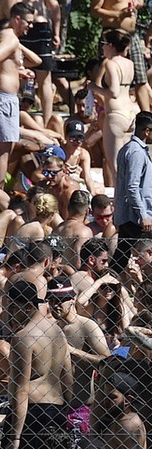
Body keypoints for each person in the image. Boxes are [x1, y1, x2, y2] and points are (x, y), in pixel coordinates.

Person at [1, 280, 73, 449]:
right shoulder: (58, 332)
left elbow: (21, 390)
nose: (9, 313)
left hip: (31, 415)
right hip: (57, 410)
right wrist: (68, 410)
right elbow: (68, 376)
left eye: (12, 307)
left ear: (27, 307)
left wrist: (15, 437)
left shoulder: (23, 338)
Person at [0, 2, 36, 188]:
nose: (31, 26)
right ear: (16, 19)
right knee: (4, 151)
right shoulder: (10, 38)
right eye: (28, 22)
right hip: (2, 98)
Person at [46, 276, 111, 434]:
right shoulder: (50, 328)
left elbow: (108, 362)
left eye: (60, 300)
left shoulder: (87, 327)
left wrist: (74, 352)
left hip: (81, 406)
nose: (55, 305)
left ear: (72, 299)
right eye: (52, 300)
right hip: (53, 405)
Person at [88, 29, 135, 184]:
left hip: (116, 114)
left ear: (110, 45)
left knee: (115, 167)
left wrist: (94, 88)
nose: (102, 48)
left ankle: (121, 204)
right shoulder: (129, 63)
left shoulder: (111, 63)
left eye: (103, 44)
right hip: (130, 112)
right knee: (129, 166)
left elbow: (114, 92)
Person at [91, 0, 150, 112]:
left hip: (132, 35)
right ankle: (107, 115)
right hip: (113, 35)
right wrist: (118, 14)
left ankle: (146, 119)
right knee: (107, 78)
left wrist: (137, 4)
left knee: (140, 79)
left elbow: (140, 2)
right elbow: (94, 10)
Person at [112, 111, 152, 274]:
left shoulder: (128, 149)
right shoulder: (136, 152)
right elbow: (132, 187)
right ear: (147, 131)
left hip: (128, 215)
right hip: (136, 218)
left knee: (120, 258)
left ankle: (108, 285)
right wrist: (143, 215)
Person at [53, 190, 94, 269]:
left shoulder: (57, 229)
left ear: (68, 208)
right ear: (88, 211)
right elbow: (79, 262)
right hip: (75, 277)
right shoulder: (84, 231)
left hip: (56, 275)